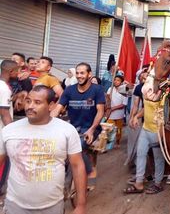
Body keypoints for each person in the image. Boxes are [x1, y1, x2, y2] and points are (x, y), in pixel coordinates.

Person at [0, 85, 86, 214]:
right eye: (28, 101)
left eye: (37, 102)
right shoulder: (9, 131)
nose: (30, 106)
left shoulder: (66, 131)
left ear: (51, 106)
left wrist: (81, 205)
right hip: (15, 206)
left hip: (53, 207)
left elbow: (77, 166)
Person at [51, 62, 105, 188]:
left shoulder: (97, 90)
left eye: (82, 73)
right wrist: (46, 123)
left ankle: (89, 170)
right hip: (72, 127)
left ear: (89, 74)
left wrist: (92, 130)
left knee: (78, 147)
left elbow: (100, 111)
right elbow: (57, 109)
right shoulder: (69, 90)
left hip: (90, 128)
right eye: (78, 73)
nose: (79, 75)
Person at [123, 98, 165, 194]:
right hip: (145, 128)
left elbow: (164, 113)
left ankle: (158, 184)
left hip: (157, 131)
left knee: (158, 158)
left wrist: (161, 134)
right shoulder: (146, 90)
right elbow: (146, 108)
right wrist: (136, 116)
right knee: (140, 154)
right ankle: (139, 183)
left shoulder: (164, 91)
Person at [106, 74, 128, 148]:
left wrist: (113, 108)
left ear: (121, 82)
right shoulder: (110, 89)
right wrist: (108, 107)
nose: (115, 81)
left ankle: (117, 142)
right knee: (109, 129)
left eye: (118, 80)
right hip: (110, 114)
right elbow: (107, 99)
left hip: (119, 114)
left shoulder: (124, 91)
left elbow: (124, 104)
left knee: (118, 130)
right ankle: (108, 143)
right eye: (115, 80)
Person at [0, 60, 17, 128]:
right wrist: (12, 132)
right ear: (11, 72)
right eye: (17, 70)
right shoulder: (5, 89)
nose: (18, 73)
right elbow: (5, 114)